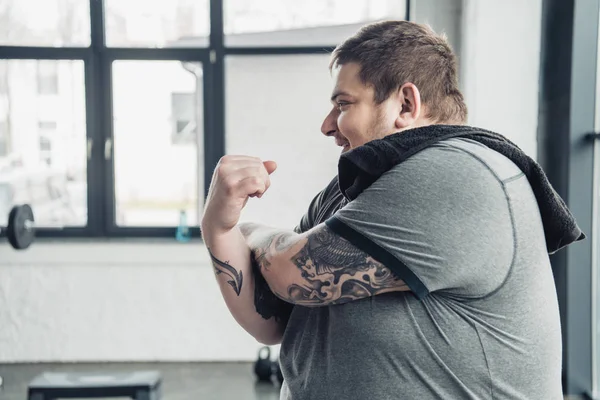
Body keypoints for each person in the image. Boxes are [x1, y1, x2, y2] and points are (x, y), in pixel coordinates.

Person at [201, 20, 582, 400]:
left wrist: (249, 231)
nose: (327, 125)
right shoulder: (352, 189)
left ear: (405, 104)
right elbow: (273, 321)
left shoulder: (457, 172)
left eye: (343, 104)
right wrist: (219, 226)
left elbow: (289, 272)